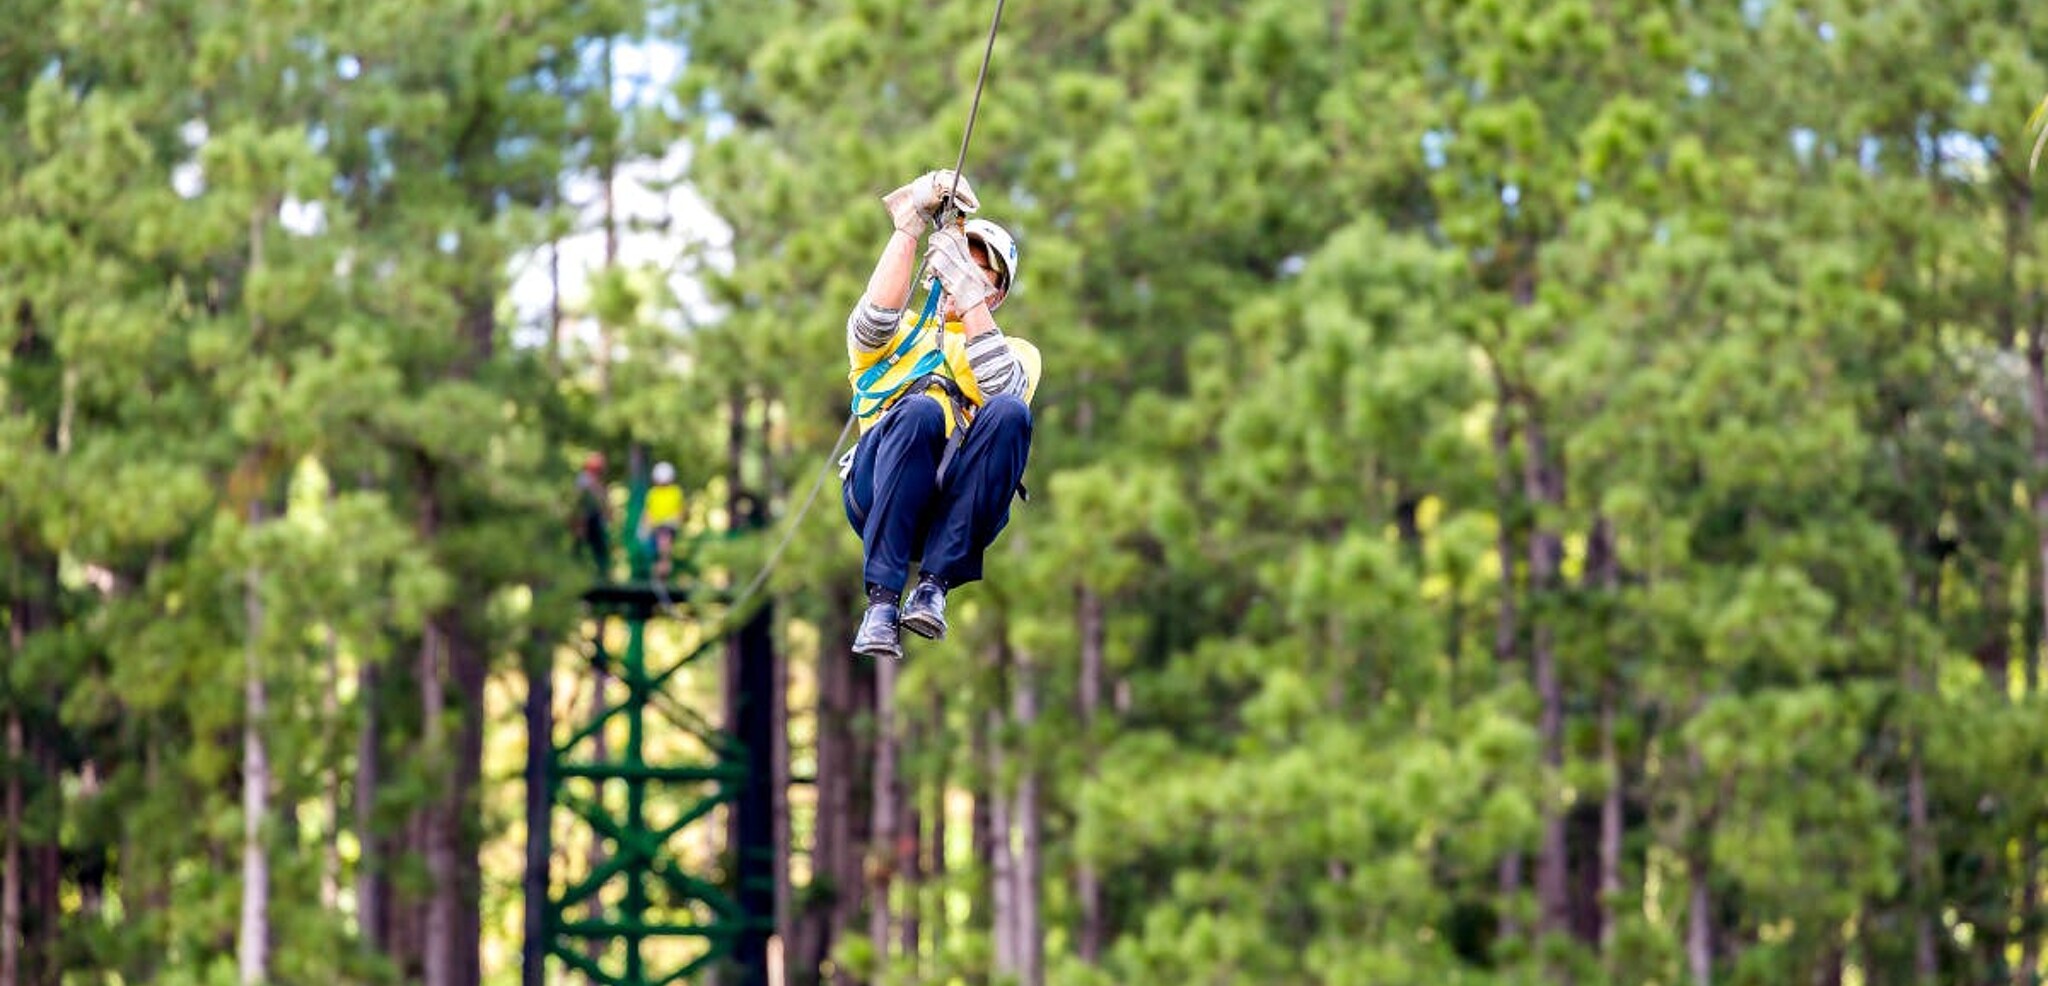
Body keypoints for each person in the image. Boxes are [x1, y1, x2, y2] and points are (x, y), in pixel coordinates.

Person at [840, 169, 1040, 660]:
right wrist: (910, 223)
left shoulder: (1015, 351)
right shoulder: (901, 336)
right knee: (920, 413)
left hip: (956, 508)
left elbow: (1002, 390)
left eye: (979, 272)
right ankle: (882, 603)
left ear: (996, 295)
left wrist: (967, 296)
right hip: (881, 489)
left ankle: (933, 587)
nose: (961, 274)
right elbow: (871, 323)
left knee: (1010, 412)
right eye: (957, 263)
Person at [641, 460, 684, 579]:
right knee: (657, 551)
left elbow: (680, 511)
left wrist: (676, 522)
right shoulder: (653, 493)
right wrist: (646, 527)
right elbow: (648, 512)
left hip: (668, 526)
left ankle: (663, 571)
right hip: (656, 527)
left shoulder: (675, 492)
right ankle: (659, 572)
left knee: (664, 547)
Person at [571, 452, 611, 580]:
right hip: (585, 518)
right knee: (580, 547)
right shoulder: (584, 480)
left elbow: (603, 501)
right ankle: (576, 573)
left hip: (595, 519)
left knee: (599, 547)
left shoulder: (597, 482)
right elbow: (579, 501)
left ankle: (602, 574)